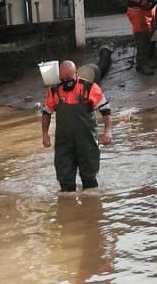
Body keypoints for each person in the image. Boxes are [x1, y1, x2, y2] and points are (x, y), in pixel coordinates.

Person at [40, 60, 113, 193]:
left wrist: (108, 131)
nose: (66, 82)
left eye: (69, 78)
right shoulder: (54, 91)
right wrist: (45, 134)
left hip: (87, 142)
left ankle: (90, 207)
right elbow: (46, 113)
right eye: (63, 79)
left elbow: (105, 110)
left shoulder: (89, 87)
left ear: (76, 73)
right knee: (65, 181)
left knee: (89, 180)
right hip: (64, 143)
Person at [126, 0, 157, 74]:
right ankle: (142, 64)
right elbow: (143, 2)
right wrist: (152, 3)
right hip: (137, 12)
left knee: (147, 38)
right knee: (142, 39)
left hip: (143, 11)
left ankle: (143, 62)